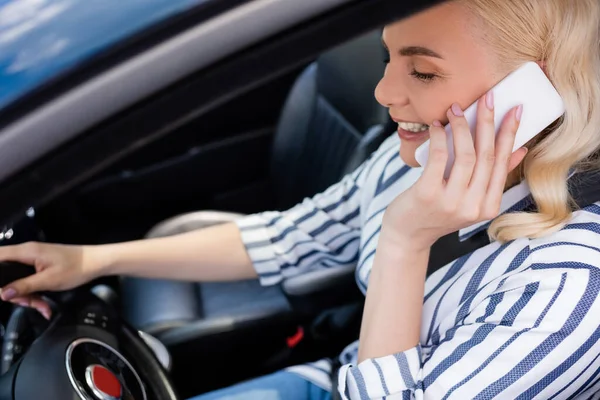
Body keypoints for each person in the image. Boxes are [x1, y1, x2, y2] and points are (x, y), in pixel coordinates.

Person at [1, 0, 600, 398]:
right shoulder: (415, 160)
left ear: (532, 91)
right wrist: (88, 259)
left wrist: (405, 240)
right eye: (387, 55)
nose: (384, 91)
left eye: (422, 73)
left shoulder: (569, 288)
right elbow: (284, 239)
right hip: (341, 377)